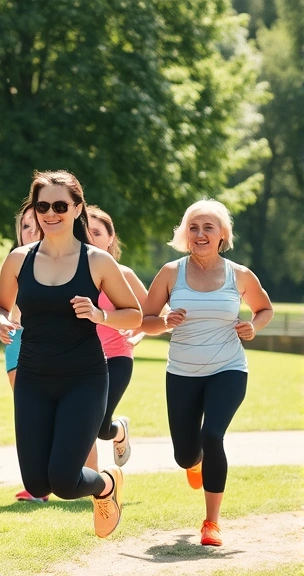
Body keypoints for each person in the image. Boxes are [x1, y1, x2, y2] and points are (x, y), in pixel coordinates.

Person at [0, 170, 141, 539]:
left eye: (60, 205)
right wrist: (1, 322)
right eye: (43, 206)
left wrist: (100, 314)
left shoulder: (97, 261)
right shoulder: (19, 259)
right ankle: (103, 484)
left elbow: (134, 313)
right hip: (33, 380)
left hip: (83, 380)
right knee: (37, 483)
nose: (50, 213)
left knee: (64, 481)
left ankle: (105, 485)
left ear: (77, 209)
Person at [139, 199, 272, 547]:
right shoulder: (170, 273)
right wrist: (164, 322)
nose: (200, 234)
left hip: (228, 368)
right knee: (185, 454)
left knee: (213, 435)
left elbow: (264, 309)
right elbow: (145, 319)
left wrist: (253, 327)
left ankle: (211, 523)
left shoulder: (239, 275)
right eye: (193, 227)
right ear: (185, 234)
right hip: (182, 372)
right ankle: (194, 462)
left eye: (208, 227)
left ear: (222, 235)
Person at [83, 205, 150, 472]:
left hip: (117, 357)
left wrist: (138, 335)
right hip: (82, 361)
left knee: (100, 427)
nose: (91, 237)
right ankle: (85, 479)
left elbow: (152, 314)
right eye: (86, 232)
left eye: (97, 232)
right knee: (83, 419)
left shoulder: (124, 275)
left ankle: (118, 429)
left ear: (111, 238)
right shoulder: (71, 275)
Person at [8, 205, 47, 503]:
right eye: (24, 226)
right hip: (16, 341)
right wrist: (3, 319)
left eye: (35, 225)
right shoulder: (14, 262)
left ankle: (82, 474)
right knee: (28, 411)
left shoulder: (64, 262)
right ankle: (37, 485)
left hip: (50, 343)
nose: (30, 232)